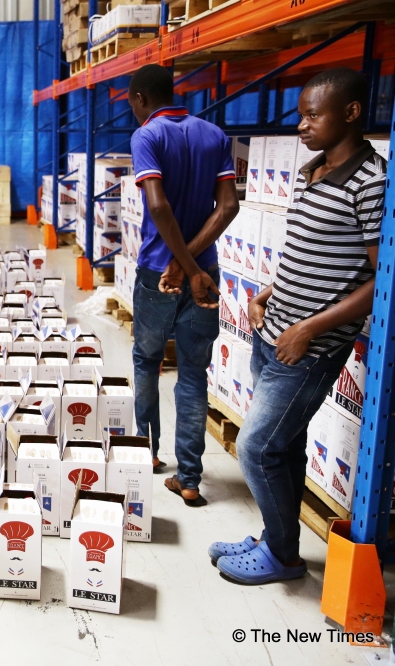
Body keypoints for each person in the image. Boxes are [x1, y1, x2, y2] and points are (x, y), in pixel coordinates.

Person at [212, 68, 385, 584]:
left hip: (306, 348)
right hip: (274, 333)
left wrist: (308, 330)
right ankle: (275, 540)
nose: (302, 125)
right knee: (285, 447)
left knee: (256, 446)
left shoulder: (371, 183)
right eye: (301, 114)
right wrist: (270, 291)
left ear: (351, 113)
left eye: (313, 115)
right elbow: (310, 252)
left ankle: (284, 556)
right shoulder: (314, 170)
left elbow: (383, 280)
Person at [127, 64, 240, 506]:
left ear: (139, 99)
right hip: (205, 277)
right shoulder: (214, 135)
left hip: (160, 272)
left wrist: (179, 265)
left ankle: (147, 454)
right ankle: (190, 478)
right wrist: (195, 269)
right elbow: (228, 206)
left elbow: (158, 205)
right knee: (193, 375)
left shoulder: (147, 137)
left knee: (146, 360)